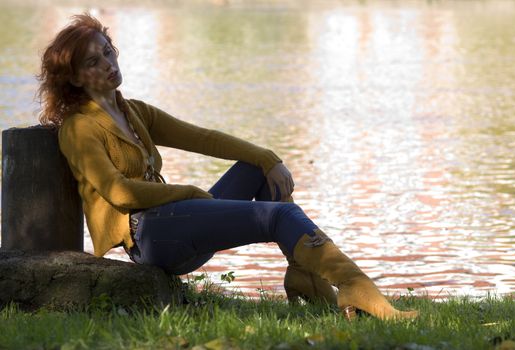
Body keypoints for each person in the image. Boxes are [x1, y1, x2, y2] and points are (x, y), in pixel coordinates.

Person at [37, 13, 417, 320]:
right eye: (93, 61)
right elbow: (118, 191)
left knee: (255, 169)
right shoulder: (79, 127)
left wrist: (268, 157)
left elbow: (203, 138)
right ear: (72, 77)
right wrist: (190, 193)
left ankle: (305, 279)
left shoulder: (132, 111)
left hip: (175, 219)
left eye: (108, 51)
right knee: (279, 216)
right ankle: (355, 288)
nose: (108, 64)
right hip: (149, 236)